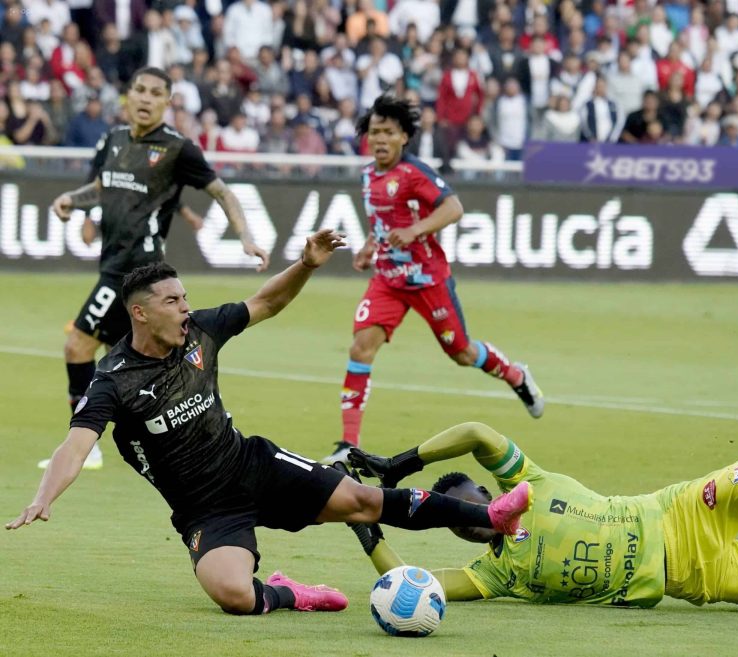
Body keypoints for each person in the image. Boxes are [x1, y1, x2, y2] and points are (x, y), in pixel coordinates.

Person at [5, 243, 534, 617]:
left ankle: (491, 515)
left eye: (186, 297)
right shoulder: (114, 381)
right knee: (234, 596)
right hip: (204, 508)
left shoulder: (202, 331)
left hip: (252, 465)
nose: (186, 308)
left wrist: (304, 264)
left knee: (364, 501)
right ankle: (292, 593)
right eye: (173, 301)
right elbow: (76, 444)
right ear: (139, 314)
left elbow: (267, 302)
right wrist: (44, 496)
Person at [42, 66, 269, 471]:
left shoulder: (178, 148)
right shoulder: (111, 140)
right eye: (140, 90)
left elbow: (222, 192)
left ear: (168, 101)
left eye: (156, 93)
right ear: (128, 95)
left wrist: (245, 236)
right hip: (113, 264)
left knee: (77, 344)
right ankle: (187, 437)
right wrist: (70, 201)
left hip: (137, 271)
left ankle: (86, 445)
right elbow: (101, 188)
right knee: (135, 361)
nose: (146, 99)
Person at [322, 95, 544, 464]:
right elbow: (381, 223)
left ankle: (515, 375)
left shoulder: (415, 173)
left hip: (428, 280)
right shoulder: (367, 175)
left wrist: (416, 231)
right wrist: (368, 246)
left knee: (462, 352)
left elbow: (453, 208)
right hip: (388, 281)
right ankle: (348, 446)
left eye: (388, 133)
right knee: (361, 347)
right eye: (374, 132)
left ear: (404, 137)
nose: (379, 139)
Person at [345, 422, 738, 609]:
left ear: (488, 490)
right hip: (697, 577)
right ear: (459, 535)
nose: (471, 517)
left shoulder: (530, 482)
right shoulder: (496, 574)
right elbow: (409, 583)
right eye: (459, 522)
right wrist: (361, 521)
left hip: (682, 510)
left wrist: (400, 464)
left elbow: (476, 433)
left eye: (473, 501)